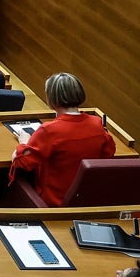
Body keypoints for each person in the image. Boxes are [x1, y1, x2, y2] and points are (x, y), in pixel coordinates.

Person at [9, 72, 115, 207]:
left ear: (51, 100)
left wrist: (24, 142)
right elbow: (108, 156)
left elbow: (20, 161)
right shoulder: (97, 124)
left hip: (54, 202)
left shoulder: (49, 130)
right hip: (86, 199)